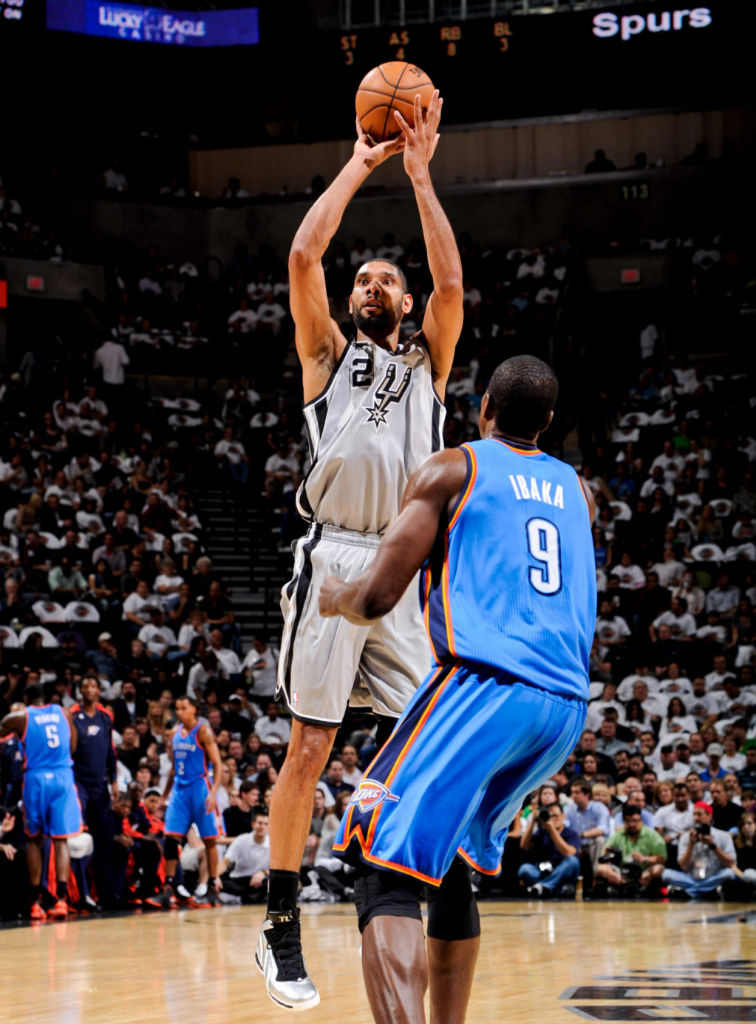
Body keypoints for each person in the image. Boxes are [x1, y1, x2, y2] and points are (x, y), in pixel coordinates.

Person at [258, 91, 464, 1011]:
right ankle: (279, 928)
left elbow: (453, 288)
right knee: (309, 743)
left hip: (402, 568)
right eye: (365, 280)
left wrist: (421, 176)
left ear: (407, 300)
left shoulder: (431, 363)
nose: (373, 284)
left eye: (388, 280)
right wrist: (362, 161)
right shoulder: (328, 358)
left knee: (430, 732)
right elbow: (304, 253)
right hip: (335, 558)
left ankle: (405, 879)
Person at [319, 355, 596, 1024]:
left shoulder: (454, 467)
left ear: (483, 409)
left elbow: (380, 594)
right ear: (550, 423)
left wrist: (335, 597)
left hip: (485, 686)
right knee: (446, 868)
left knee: (378, 859)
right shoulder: (579, 490)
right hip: (563, 708)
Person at [0, 683, 82, 919]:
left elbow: (3, 727)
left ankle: (35, 903)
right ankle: (62, 901)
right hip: (63, 776)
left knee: (34, 839)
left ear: (27, 699)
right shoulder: (63, 712)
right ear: (45, 699)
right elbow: (73, 745)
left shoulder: (21, 716)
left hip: (36, 778)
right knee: (61, 840)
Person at [157, 695, 223, 908]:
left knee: (210, 840)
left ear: (194, 709)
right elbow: (174, 768)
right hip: (179, 790)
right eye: (177, 708)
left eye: (184, 708)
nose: (179, 712)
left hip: (200, 788)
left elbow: (218, 764)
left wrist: (213, 793)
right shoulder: (175, 734)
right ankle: (168, 888)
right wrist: (164, 796)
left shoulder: (202, 731)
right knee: (170, 838)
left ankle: (213, 886)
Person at [70, 674, 119, 908]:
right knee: (80, 839)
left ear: (99, 691)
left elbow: (110, 751)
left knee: (104, 840)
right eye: (85, 686)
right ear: (80, 691)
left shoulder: (105, 717)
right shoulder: (71, 716)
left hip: (101, 785)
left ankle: (107, 895)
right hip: (79, 783)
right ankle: (80, 894)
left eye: (93, 686)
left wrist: (115, 780)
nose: (90, 690)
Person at [662, 800, 738, 899]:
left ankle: (690, 892)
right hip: (691, 878)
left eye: (699, 814)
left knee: (729, 873)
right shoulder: (685, 837)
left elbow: (731, 863)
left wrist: (713, 846)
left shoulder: (723, 836)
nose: (696, 818)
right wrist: (691, 844)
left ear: (709, 816)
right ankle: (708, 891)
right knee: (666, 874)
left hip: (713, 877)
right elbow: (683, 866)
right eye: (694, 815)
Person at [595, 804, 667, 897]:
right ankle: (622, 884)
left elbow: (662, 858)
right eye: (628, 821)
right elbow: (604, 856)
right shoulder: (617, 835)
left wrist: (644, 859)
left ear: (641, 821)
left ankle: (642, 888)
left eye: (635, 821)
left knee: (658, 869)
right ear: (623, 821)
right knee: (602, 869)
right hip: (621, 873)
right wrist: (608, 855)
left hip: (644, 872)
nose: (632, 824)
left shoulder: (653, 836)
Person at [518, 801, 580, 897]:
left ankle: (542, 886)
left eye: (555, 816)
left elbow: (569, 853)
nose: (552, 819)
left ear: (563, 816)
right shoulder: (542, 832)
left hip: (562, 871)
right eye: (550, 816)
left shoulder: (571, 834)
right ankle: (552, 888)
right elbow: (524, 846)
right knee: (524, 869)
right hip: (544, 871)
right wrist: (532, 821)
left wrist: (552, 830)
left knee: (573, 861)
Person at [218, 810, 270, 904]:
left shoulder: (273, 843)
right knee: (221, 882)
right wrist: (215, 877)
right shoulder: (241, 840)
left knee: (275, 884)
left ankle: (241, 898)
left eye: (266, 824)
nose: (262, 827)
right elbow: (225, 863)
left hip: (261, 881)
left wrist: (263, 873)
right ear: (253, 824)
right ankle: (250, 898)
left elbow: (277, 870)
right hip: (239, 881)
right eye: (260, 823)